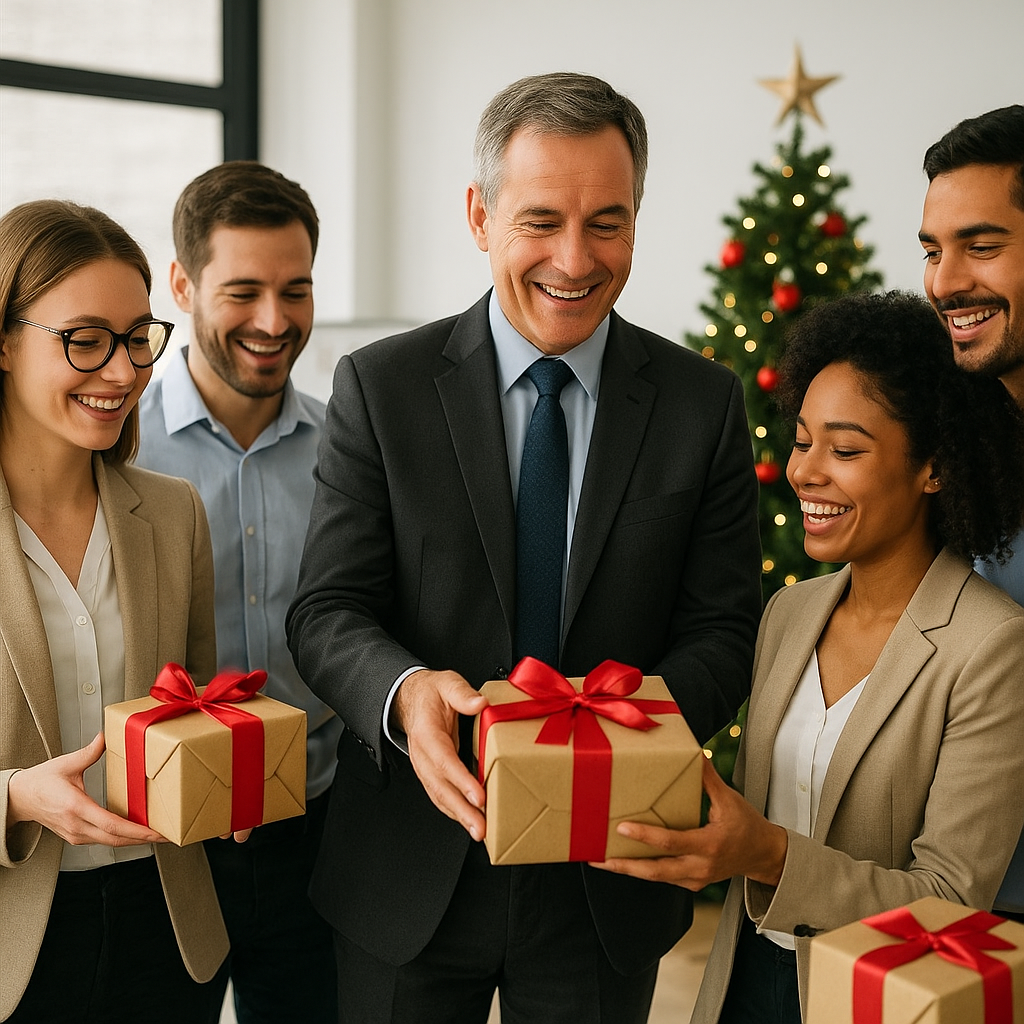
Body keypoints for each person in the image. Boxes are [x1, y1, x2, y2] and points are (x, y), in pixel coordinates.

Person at [286, 71, 762, 1024]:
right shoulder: (381, 387)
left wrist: (616, 740)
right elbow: (328, 610)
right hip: (408, 872)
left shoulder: (701, 404)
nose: (575, 260)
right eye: (541, 221)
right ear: (480, 215)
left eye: (609, 222)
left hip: (608, 874)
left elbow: (723, 630)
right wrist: (405, 691)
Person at [594, 290, 1024, 1023]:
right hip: (743, 982)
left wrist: (767, 855)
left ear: (934, 468)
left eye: (846, 449)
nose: (805, 472)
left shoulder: (990, 645)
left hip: (871, 1000)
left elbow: (954, 902)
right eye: (802, 440)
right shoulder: (789, 613)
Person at [0, 199, 229, 1022]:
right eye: (85, 339)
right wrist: (19, 796)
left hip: (165, 926)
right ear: (3, 339)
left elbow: (193, 708)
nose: (125, 371)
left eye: (138, 338)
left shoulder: (174, 513)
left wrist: (225, 778)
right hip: (11, 941)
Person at [136, 161, 340, 1023]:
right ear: (182, 283)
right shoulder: (119, 441)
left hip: (320, 830)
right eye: (244, 290)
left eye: (295, 290)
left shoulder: (348, 449)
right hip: (158, 840)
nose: (273, 320)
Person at [920, 104, 1024, 922]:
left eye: (982, 246)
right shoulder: (963, 445)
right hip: (962, 909)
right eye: (933, 249)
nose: (946, 280)